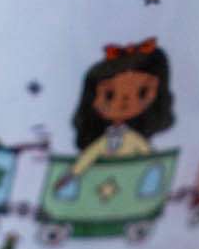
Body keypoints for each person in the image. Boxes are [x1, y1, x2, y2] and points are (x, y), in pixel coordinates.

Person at [57, 41, 175, 192]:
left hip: (129, 184)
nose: (125, 101)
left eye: (142, 92)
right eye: (109, 95)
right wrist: (71, 175)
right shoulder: (106, 141)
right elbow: (89, 156)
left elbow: (148, 157)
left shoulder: (131, 138)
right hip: (102, 185)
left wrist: (158, 171)